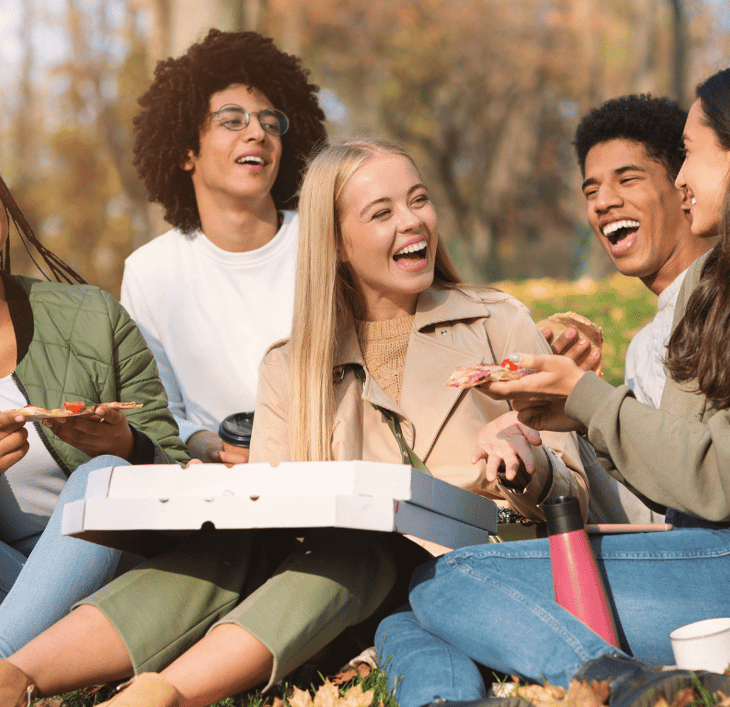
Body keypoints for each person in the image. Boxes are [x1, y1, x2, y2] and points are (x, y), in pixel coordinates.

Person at [0, 138, 587, 707]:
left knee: (366, 549)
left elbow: (577, 494)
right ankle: (16, 674)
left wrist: (527, 463)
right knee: (233, 553)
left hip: (476, 573)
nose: (412, 222)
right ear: (332, 243)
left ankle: (162, 695)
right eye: (381, 212)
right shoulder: (289, 365)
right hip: (335, 602)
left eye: (418, 200)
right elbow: (270, 519)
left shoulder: (497, 323)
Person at [375, 63, 730, 707]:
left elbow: (727, 478)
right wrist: (570, 417)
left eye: (690, 156)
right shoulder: (727, 290)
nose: (686, 176)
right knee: (408, 607)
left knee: (448, 581)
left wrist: (586, 400)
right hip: (719, 552)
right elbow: (688, 477)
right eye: (592, 188)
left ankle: (617, 684)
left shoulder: (728, 289)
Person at [0, 174, 188, 658]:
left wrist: (127, 448)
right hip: (11, 581)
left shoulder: (92, 318)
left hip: (110, 576)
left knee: (104, 478)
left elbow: (181, 474)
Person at [120, 28, 327, 464]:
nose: (257, 133)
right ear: (185, 151)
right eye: (232, 120)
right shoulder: (151, 272)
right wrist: (210, 447)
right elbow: (157, 412)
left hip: (325, 464)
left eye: (271, 122)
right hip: (217, 492)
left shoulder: (326, 241)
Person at [567, 94, 717, 524]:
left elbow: (712, 477)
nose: (602, 202)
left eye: (627, 180)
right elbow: (655, 513)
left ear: (684, 187)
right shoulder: (644, 346)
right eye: (591, 190)